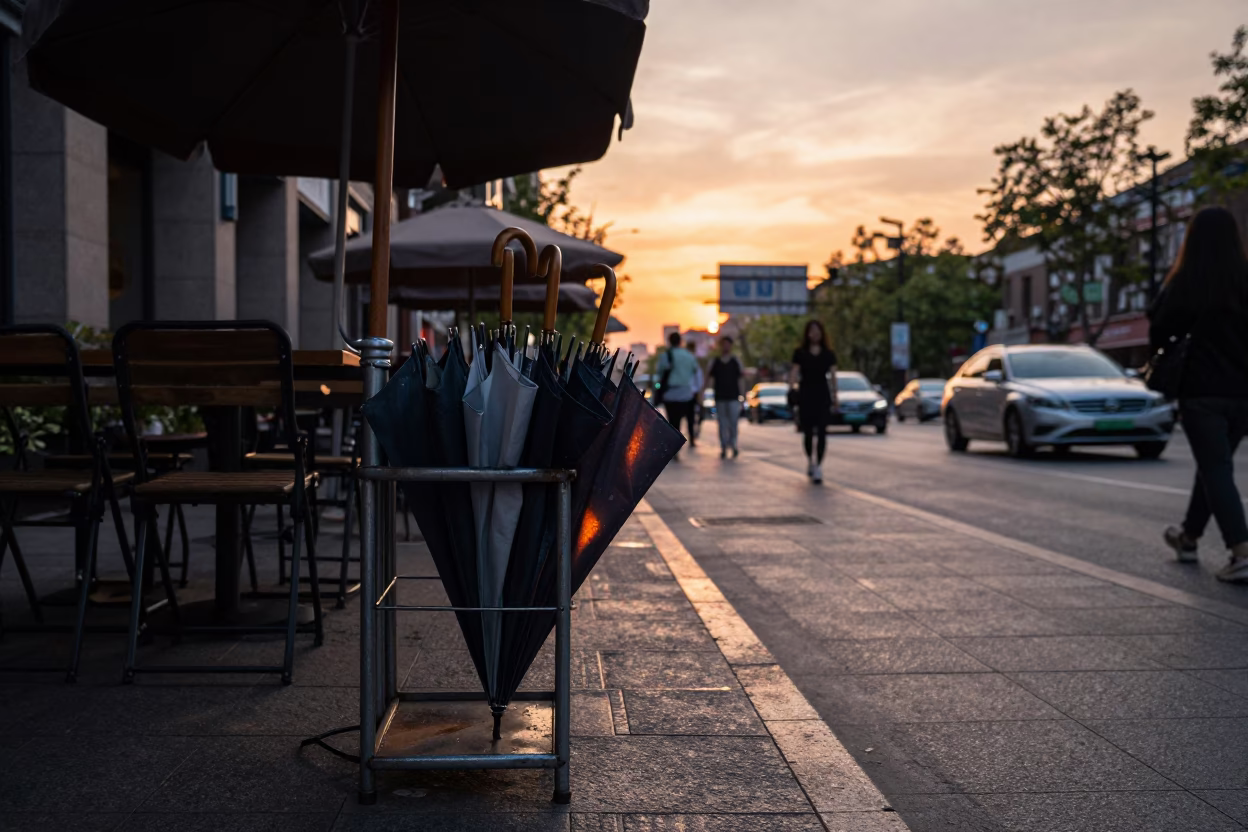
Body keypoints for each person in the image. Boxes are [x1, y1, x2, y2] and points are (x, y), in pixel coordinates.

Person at [1148, 205, 1248, 583]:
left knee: (1215, 466)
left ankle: (1241, 550)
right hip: (1243, 394)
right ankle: (1188, 538)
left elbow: (1158, 329)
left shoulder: (1186, 282)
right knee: (1214, 465)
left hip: (1201, 391)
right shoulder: (1245, 279)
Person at [789, 320, 838, 484]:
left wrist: (835, 396)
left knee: (823, 432)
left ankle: (818, 466)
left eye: (817, 330)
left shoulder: (828, 354)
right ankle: (810, 459)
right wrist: (792, 389)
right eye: (811, 330)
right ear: (807, 333)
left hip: (822, 395)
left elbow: (833, 377)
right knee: (808, 432)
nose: (814, 333)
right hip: (806, 395)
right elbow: (794, 373)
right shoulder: (800, 353)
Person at [655, 331, 700, 457]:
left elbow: (660, 373)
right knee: (684, 419)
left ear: (669, 341)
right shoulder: (689, 356)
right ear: (681, 341)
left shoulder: (666, 356)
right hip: (686, 394)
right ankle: (679, 445)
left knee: (673, 422)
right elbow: (695, 373)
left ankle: (675, 448)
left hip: (671, 393)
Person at [706, 336, 745, 458]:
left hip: (733, 397)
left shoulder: (735, 361)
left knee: (733, 422)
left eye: (728, 344)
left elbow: (741, 379)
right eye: (723, 344)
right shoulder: (715, 361)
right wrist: (703, 393)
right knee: (722, 423)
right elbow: (708, 378)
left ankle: (733, 445)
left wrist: (743, 396)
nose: (726, 346)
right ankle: (723, 446)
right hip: (720, 397)